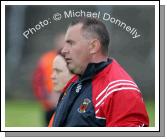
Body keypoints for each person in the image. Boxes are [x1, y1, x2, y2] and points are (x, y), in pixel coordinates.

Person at [50, 17, 149, 127]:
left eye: (71, 43)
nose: (64, 50)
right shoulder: (75, 83)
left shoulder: (120, 90)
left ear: (93, 46)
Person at [32, 33, 65, 126]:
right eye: (60, 41)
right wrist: (46, 97)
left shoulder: (75, 59)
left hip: (66, 103)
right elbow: (37, 81)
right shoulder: (46, 58)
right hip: (49, 104)